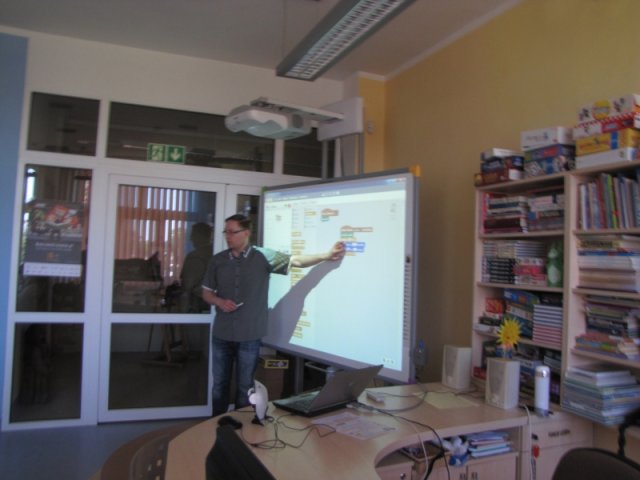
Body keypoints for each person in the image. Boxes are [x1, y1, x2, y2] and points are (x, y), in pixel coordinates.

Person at [202, 213, 345, 416]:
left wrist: (326, 255)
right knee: (219, 386)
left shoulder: (263, 256)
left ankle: (241, 427)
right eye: (226, 232)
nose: (228, 236)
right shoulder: (218, 261)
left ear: (246, 233)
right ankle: (215, 425)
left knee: (245, 387)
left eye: (233, 232)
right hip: (222, 334)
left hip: (250, 335)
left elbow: (296, 261)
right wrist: (220, 302)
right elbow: (206, 293)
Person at [179, 222, 214, 313]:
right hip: (211, 307)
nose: (191, 239)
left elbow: (188, 285)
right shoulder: (217, 254)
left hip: (196, 308)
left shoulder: (195, 257)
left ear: (200, 236)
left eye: (193, 235)